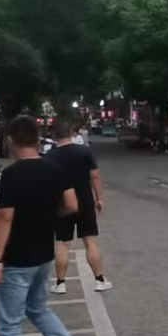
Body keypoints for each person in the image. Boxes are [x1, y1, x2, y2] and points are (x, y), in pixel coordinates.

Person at [0, 116, 91, 336]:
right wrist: (47, 215)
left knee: (9, 323)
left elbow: (5, 217)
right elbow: (72, 205)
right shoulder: (54, 168)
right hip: (44, 254)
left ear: (10, 140)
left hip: (17, 258)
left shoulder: (12, 175)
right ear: (37, 138)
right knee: (37, 309)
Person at [44, 121, 112, 294]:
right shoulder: (84, 152)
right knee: (90, 241)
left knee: (62, 243)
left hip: (62, 205)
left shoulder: (50, 156)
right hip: (85, 201)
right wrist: (99, 198)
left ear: (54, 135)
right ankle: (99, 280)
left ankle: (60, 283)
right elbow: (95, 176)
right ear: (72, 133)